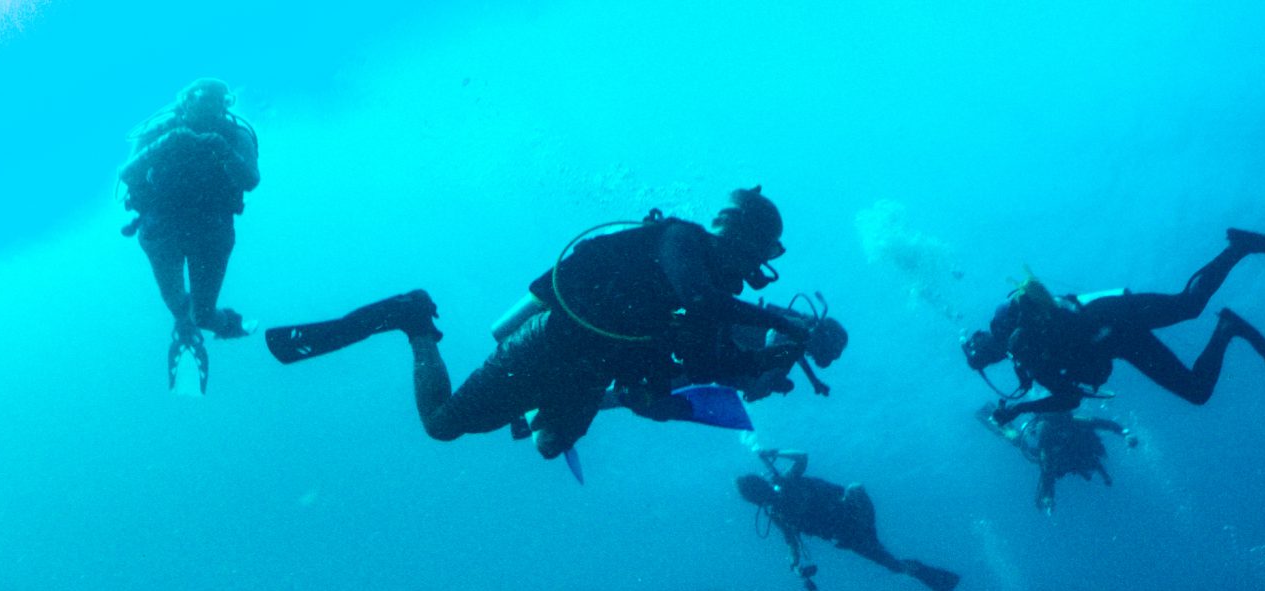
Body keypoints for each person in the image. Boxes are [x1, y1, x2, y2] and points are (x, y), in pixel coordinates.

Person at [265, 189, 840, 459]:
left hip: (595, 369)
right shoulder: (681, 240)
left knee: (547, 447)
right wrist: (788, 327)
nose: (755, 270)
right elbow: (702, 299)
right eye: (759, 251)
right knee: (442, 426)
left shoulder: (710, 296)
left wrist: (767, 359)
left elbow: (706, 362)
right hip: (549, 345)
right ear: (740, 237)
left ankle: (535, 415)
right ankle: (413, 320)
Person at [961, 217, 1265, 423]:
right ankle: (1226, 326)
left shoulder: (1019, 338)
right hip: (1120, 340)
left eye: (981, 356)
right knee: (1196, 390)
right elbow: (1069, 399)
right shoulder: (1026, 361)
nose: (989, 359)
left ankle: (1239, 248)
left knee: (1188, 306)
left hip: (1112, 315)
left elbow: (1068, 395)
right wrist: (1024, 407)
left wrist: (1023, 407)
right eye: (983, 360)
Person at [120, 79, 260, 390]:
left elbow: (250, 179)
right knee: (177, 305)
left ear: (225, 104)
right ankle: (187, 327)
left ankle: (226, 324)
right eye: (200, 100)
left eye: (214, 102)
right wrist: (168, 141)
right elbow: (127, 173)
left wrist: (222, 149)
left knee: (204, 313)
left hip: (211, 233)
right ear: (186, 102)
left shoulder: (234, 135)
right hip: (162, 231)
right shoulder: (159, 130)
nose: (207, 108)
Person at [737, 449, 960, 591]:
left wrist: (775, 452)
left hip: (854, 513)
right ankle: (933, 577)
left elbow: (802, 457)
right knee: (893, 565)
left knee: (854, 488)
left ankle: (926, 574)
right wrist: (796, 568)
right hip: (849, 536)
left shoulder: (787, 481)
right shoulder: (778, 514)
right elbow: (791, 544)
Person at [979, 402, 1136, 511]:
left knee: (1019, 441)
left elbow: (1105, 424)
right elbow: (1046, 469)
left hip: (1075, 456)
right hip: (1062, 458)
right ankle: (997, 422)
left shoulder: (1076, 422)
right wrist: (1047, 495)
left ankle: (1002, 425)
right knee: (1018, 441)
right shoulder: (1046, 433)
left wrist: (1125, 434)